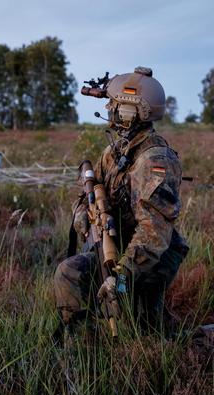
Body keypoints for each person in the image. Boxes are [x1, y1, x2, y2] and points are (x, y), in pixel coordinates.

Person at [54, 67, 189, 335]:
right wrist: (82, 213)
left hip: (148, 260)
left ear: (130, 112)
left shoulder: (154, 161)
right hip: (119, 245)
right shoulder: (116, 150)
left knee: (145, 330)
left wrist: (120, 278)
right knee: (69, 272)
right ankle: (83, 349)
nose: (109, 108)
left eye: (115, 104)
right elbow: (91, 192)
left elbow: (153, 236)